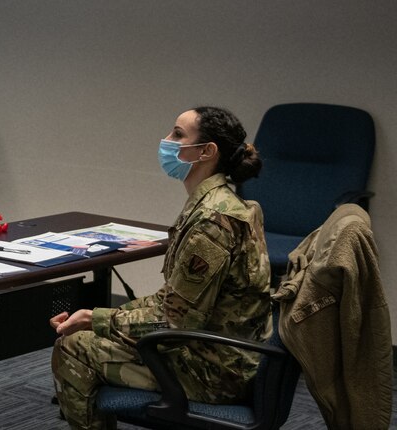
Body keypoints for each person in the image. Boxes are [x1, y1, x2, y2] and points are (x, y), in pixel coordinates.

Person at [50, 106, 271, 430]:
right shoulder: (221, 203)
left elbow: (172, 319)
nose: (166, 141)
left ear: (207, 152)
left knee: (72, 348)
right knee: (91, 331)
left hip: (215, 371)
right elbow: (173, 301)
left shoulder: (212, 220)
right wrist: (98, 317)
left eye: (178, 135)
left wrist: (95, 318)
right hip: (225, 353)